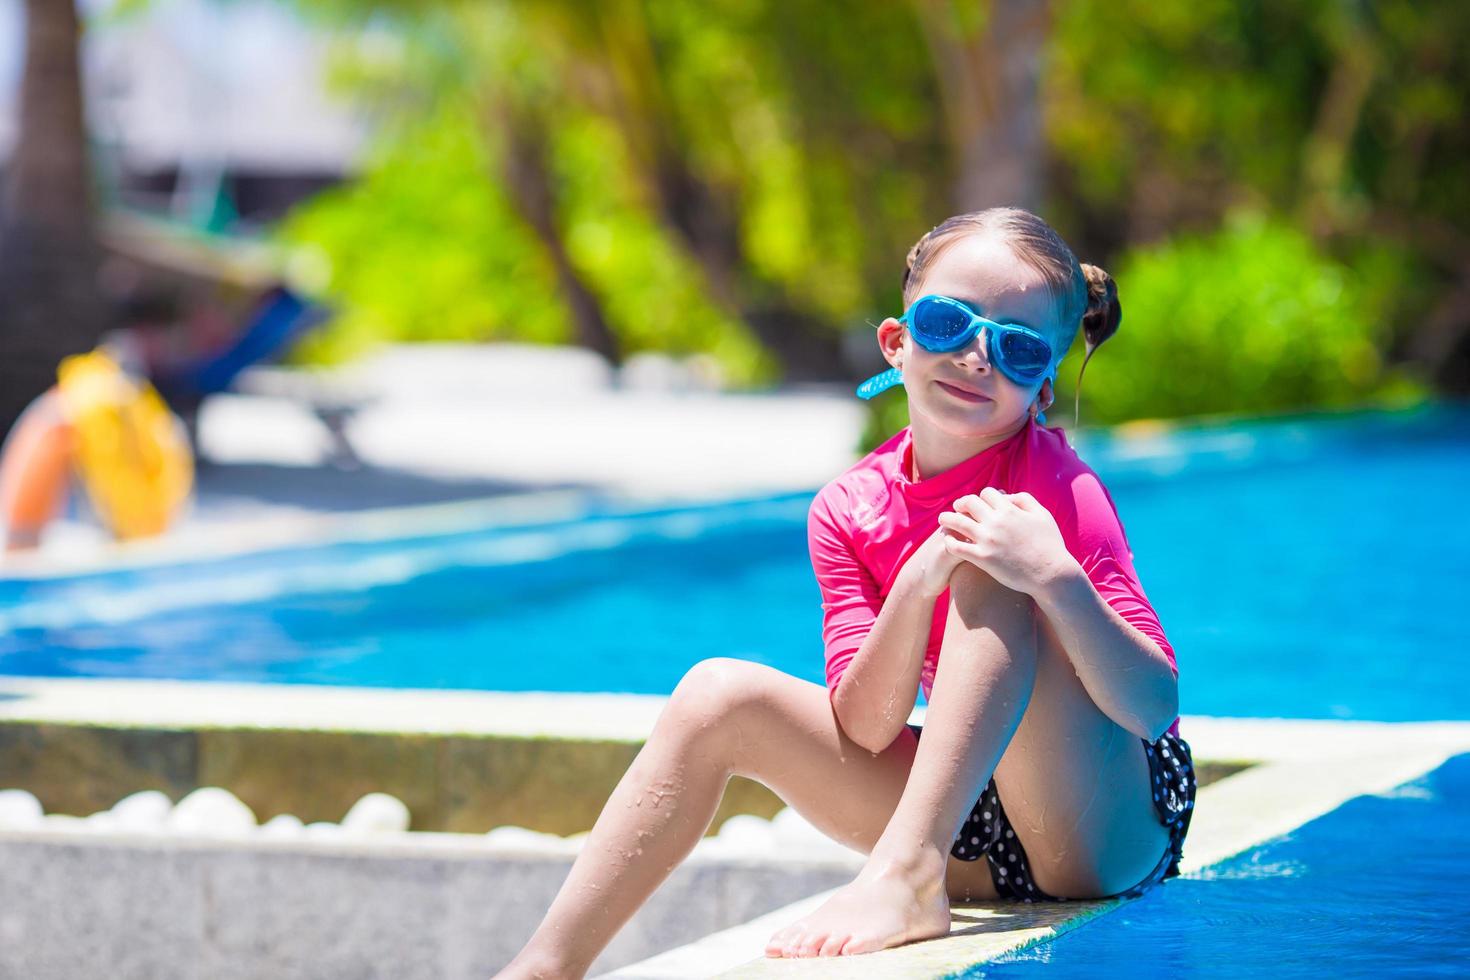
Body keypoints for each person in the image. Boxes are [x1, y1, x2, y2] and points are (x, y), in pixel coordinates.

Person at [495, 208, 1195, 978]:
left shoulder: (1058, 485)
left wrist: (1056, 578)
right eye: (947, 322)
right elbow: (865, 726)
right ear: (897, 342)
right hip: (982, 827)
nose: (975, 355)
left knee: (988, 556)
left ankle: (905, 875)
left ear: (1043, 390)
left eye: (1019, 348)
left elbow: (1152, 705)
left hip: (1101, 831)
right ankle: (545, 965)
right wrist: (915, 584)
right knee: (716, 695)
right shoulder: (849, 507)